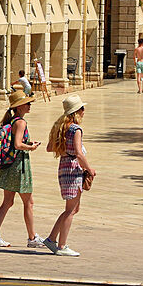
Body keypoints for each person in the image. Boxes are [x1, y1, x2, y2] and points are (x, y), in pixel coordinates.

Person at [0, 90, 45, 249]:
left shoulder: (13, 121)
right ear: (19, 106)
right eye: (27, 103)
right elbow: (18, 145)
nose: (29, 105)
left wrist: (28, 143)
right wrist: (31, 147)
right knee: (29, 202)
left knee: (8, 202)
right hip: (18, 166)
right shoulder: (21, 122)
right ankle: (32, 238)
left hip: (10, 165)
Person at [44, 95, 95, 257]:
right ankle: (62, 246)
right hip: (73, 170)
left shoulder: (60, 127)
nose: (84, 111)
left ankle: (52, 239)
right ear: (77, 112)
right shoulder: (76, 129)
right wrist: (90, 169)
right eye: (82, 108)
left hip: (64, 167)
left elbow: (50, 148)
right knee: (71, 210)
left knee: (72, 208)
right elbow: (79, 154)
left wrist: (66, 150)